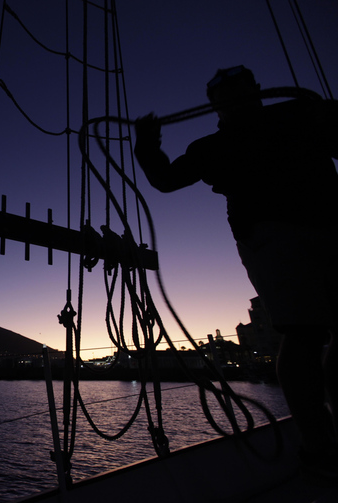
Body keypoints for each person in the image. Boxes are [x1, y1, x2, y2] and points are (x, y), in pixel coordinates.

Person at [134, 66, 338, 480]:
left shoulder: (296, 116)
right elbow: (166, 178)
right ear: (216, 103)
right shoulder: (294, 116)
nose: (233, 98)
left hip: (318, 231)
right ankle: (319, 443)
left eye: (237, 90)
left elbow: (166, 179)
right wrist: (148, 146)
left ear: (253, 91)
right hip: (276, 238)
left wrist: (147, 147)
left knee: (310, 334)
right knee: (304, 334)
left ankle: (322, 440)